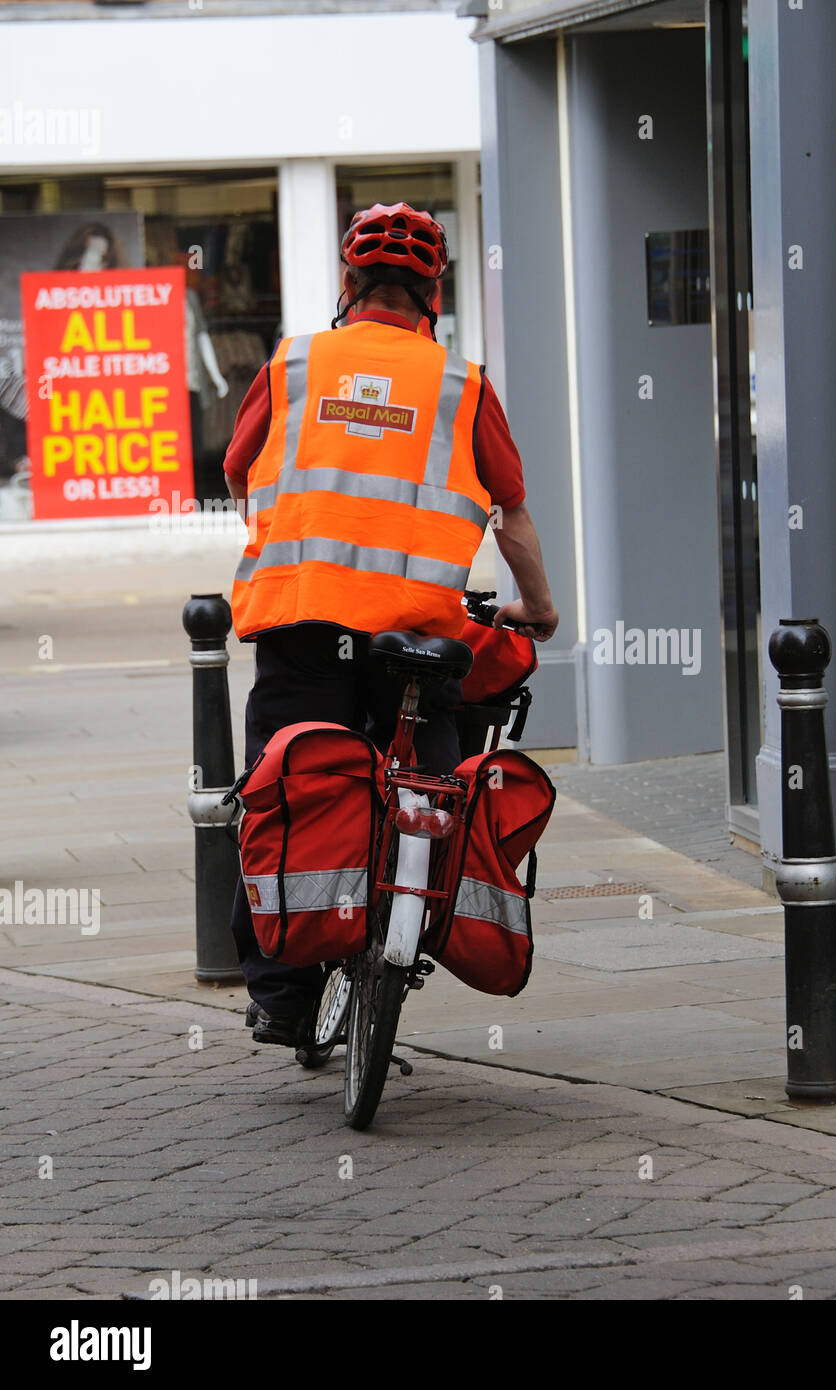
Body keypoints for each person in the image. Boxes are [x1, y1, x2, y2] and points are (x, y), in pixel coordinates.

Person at [223, 202, 558, 1046]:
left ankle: (280, 991)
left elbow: (238, 474)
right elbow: (510, 516)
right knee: (432, 789)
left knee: (284, 790)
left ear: (348, 285)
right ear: (431, 293)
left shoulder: (294, 363)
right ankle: (415, 919)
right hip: (416, 642)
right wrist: (539, 610)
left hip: (300, 627)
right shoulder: (462, 383)